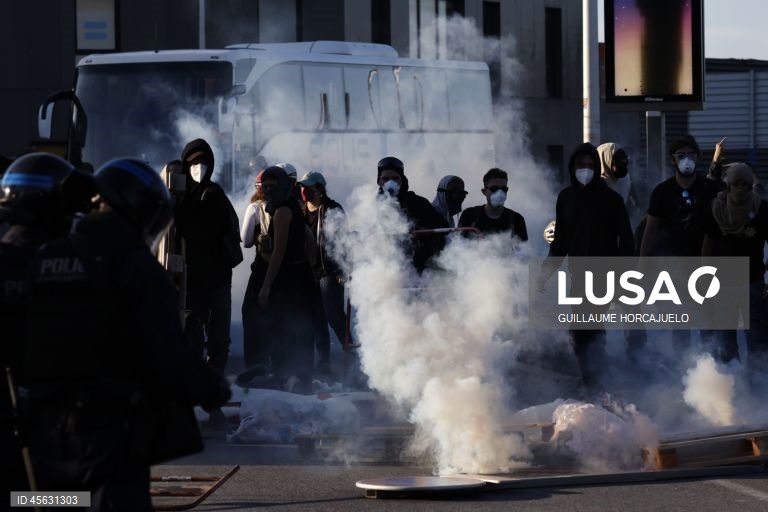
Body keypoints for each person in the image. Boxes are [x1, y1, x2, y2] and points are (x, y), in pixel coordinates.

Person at [21, 158, 231, 511]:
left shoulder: (46, 256)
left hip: (41, 430)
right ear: (136, 209)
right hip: (107, 434)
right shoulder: (135, 266)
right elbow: (168, 351)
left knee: (50, 503)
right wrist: (212, 388)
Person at [1, 153, 95, 495]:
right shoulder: (71, 261)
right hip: (53, 417)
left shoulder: (10, 255)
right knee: (63, 500)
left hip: (28, 410)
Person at [539, 142, 634, 392]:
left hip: (605, 275)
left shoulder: (611, 199)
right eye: (581, 165)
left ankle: (599, 383)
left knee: (591, 329)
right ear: (572, 167)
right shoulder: (566, 198)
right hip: (578, 276)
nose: (586, 170)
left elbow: (626, 240)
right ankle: (595, 382)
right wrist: (545, 273)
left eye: (591, 165)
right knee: (581, 333)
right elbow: (559, 242)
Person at [175, 138, 241, 428]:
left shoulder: (214, 195)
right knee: (190, 338)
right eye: (193, 163)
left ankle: (212, 404)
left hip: (216, 280)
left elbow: (225, 231)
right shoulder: (177, 197)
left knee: (219, 342)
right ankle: (191, 399)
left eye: (204, 162)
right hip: (188, 281)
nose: (199, 168)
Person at [639, 135, 723, 355]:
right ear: (673, 160)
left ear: (698, 157)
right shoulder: (662, 192)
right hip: (674, 267)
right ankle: (682, 372)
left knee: (708, 324)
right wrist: (642, 269)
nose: (687, 160)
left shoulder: (710, 189)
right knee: (680, 325)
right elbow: (651, 232)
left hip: (707, 267)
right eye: (681, 156)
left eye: (691, 155)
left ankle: (711, 370)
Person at [253, 166, 317, 392]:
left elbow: (279, 251)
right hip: (300, 276)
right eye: (265, 186)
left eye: (273, 186)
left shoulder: (281, 212)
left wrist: (266, 286)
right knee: (300, 327)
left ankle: (287, 375)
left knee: (284, 327)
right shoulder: (293, 206)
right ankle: (300, 376)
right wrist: (307, 265)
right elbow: (309, 240)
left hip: (288, 280)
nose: (269, 190)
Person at [702, 162, 768, 369]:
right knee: (725, 343)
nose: (741, 188)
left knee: (757, 343)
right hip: (723, 284)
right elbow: (708, 242)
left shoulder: (762, 209)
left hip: (753, 282)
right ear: (728, 185)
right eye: (736, 183)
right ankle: (731, 386)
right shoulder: (717, 208)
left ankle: (757, 389)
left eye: (746, 184)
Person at [298, 171, 353, 373]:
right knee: (316, 319)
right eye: (302, 187)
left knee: (334, 316)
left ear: (319, 188)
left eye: (308, 187)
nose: (304, 191)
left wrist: (343, 269)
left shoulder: (332, 209)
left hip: (329, 272)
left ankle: (353, 358)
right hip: (309, 272)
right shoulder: (302, 211)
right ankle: (324, 365)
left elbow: (343, 242)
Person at [377, 156, 449, 271]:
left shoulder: (417, 203)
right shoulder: (372, 207)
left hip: (418, 268)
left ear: (402, 180)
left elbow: (444, 228)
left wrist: (421, 230)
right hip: (385, 269)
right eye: (385, 179)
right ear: (379, 181)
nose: (390, 183)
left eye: (395, 178)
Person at [241, 169, 269, 369]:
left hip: (262, 267)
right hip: (288, 271)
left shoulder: (255, 208)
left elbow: (247, 241)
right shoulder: (292, 207)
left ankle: (255, 363)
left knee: (251, 313)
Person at [458, 167, 528, 240]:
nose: (500, 193)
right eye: (494, 189)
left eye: (504, 189)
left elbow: (524, 249)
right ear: (484, 191)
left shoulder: (517, 220)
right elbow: (457, 246)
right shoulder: (469, 215)